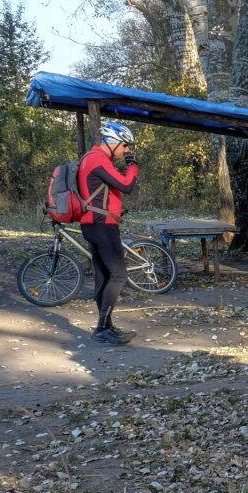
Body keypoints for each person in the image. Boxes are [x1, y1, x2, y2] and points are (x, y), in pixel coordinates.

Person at [77, 121, 141, 346]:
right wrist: (133, 166)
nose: (126, 150)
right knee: (119, 275)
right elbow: (126, 185)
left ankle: (106, 327)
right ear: (112, 142)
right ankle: (102, 328)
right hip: (101, 225)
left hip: (95, 224)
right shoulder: (97, 159)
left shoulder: (93, 158)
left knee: (104, 276)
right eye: (124, 146)